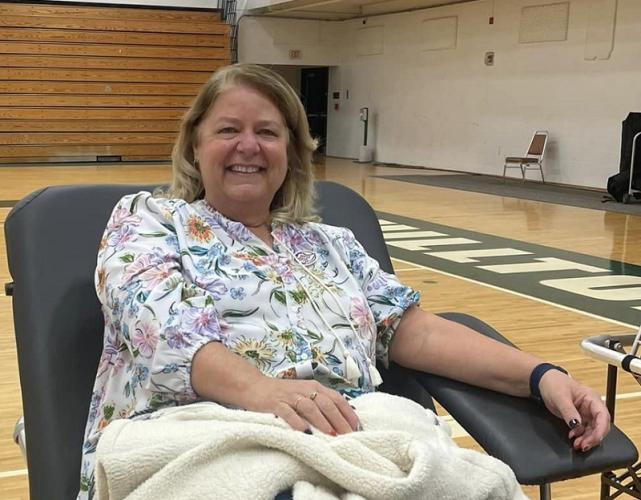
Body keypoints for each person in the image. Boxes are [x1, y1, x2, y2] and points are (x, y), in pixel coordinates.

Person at [78, 63, 610, 498]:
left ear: (290, 153)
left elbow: (414, 331)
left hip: (349, 439)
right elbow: (166, 333)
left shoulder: (331, 244)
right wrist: (266, 393)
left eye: (267, 132)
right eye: (227, 130)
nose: (249, 146)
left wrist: (541, 375)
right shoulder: (150, 222)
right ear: (195, 146)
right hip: (204, 438)